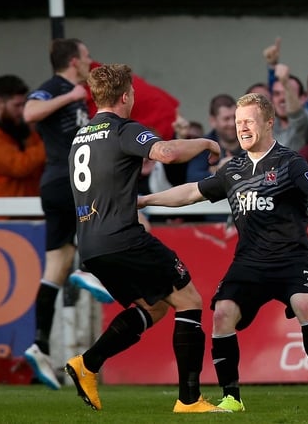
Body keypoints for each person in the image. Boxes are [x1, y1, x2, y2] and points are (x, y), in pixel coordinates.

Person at [138, 92, 308, 413]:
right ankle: (232, 396)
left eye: (248, 121)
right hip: (249, 262)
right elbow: (193, 192)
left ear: (269, 123)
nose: (242, 128)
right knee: (222, 314)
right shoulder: (233, 169)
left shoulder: (290, 162)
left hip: (291, 259)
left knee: (304, 303)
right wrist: (146, 200)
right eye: (237, 123)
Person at [65, 63, 226, 413]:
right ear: (126, 96)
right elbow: (166, 153)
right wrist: (206, 142)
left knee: (152, 308)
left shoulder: (81, 136)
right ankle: (189, 400)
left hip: (91, 245)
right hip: (123, 238)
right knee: (190, 301)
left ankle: (87, 364)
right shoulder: (123, 129)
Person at [21, 37, 112, 390]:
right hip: (68, 179)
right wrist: (71, 97)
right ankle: (90, 271)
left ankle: (39, 346)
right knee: (106, 217)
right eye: (87, 56)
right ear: (74, 61)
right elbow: (30, 112)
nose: (91, 61)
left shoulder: (74, 90)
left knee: (54, 268)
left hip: (57, 184)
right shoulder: (57, 88)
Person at [0, 74, 45, 197]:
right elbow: (19, 165)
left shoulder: (19, 130)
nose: (22, 110)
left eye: (24, 105)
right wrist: (50, 144)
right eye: (17, 105)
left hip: (26, 209)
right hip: (5, 212)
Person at [186, 94, 242, 182]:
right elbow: (192, 178)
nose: (232, 123)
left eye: (235, 117)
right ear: (213, 121)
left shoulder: (251, 139)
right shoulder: (204, 145)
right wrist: (220, 170)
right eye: (226, 119)